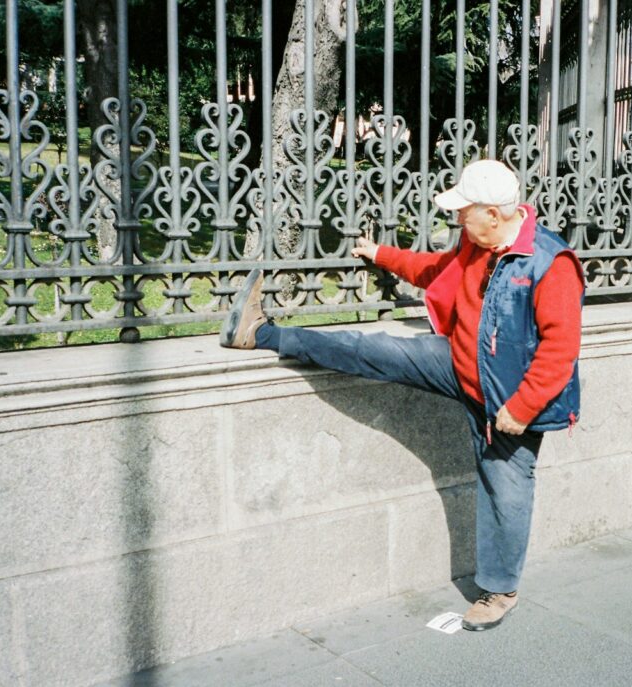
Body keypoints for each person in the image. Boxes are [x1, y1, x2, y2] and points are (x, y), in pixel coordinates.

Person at [220, 159, 584, 631]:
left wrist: (521, 407)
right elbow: (435, 270)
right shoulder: (477, 244)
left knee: (506, 493)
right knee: (372, 351)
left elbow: (560, 349)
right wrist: (380, 253)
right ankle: (264, 334)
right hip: (458, 365)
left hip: (509, 404)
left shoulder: (550, 263)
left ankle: (499, 591)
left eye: (464, 211)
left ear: (493, 214)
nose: (457, 219)